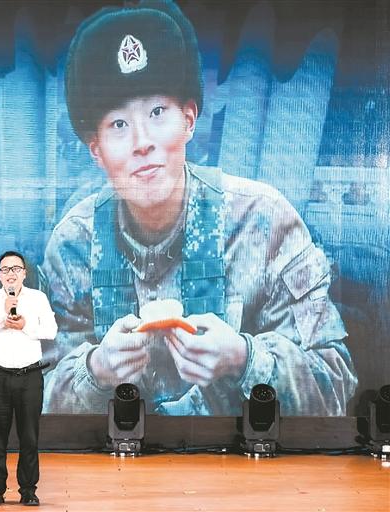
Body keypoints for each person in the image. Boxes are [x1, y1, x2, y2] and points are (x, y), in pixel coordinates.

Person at [41, 0, 357, 416]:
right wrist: (95, 371)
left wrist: (245, 359)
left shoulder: (262, 222)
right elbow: (33, 394)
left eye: (157, 113)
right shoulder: (73, 246)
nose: (142, 142)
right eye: (119, 125)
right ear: (96, 150)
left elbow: (335, 386)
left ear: (189, 120)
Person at [0, 250, 57, 506]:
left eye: (16, 269)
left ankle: (28, 489)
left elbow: (51, 330)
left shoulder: (38, 298)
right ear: (0, 276)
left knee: (29, 436)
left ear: (24, 273)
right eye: (5, 270)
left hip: (29, 377)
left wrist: (25, 325)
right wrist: (2, 319)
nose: (11, 274)